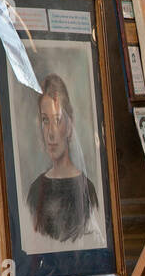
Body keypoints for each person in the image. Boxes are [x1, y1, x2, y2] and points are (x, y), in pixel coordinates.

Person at [27, 73, 101, 244]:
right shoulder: (35, 191)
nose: (51, 133)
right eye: (45, 120)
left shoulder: (88, 190)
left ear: (69, 126)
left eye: (58, 120)